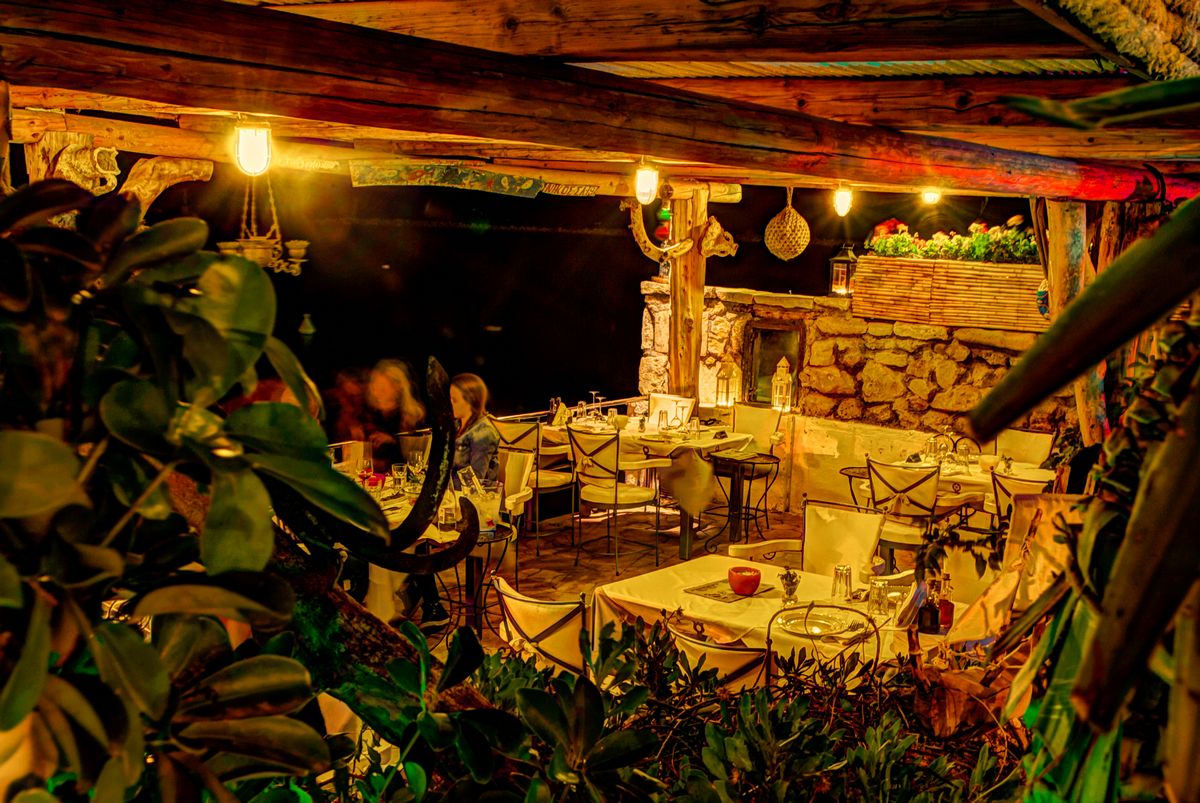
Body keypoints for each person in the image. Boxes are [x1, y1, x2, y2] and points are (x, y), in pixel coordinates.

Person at [363, 360, 427, 473]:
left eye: (382, 389)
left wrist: (393, 441)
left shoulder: (411, 416)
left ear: (397, 388)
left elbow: (416, 458)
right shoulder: (372, 414)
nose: (376, 393)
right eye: (374, 387)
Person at [449, 373, 499, 483]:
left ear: (470, 401)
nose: (450, 403)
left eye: (455, 400)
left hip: (472, 492)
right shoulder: (456, 425)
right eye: (450, 399)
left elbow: (475, 479)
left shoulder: (484, 432)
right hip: (452, 489)